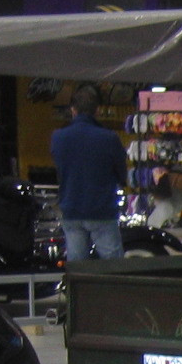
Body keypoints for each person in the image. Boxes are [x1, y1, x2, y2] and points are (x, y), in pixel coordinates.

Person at [50, 85, 129, 261]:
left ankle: (79, 288)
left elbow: (60, 168)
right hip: (101, 209)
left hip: (71, 209)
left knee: (77, 265)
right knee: (113, 265)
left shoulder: (58, 137)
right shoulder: (109, 138)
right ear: (98, 111)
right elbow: (121, 173)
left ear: (73, 110)